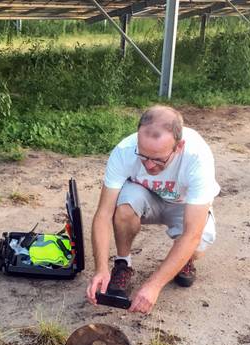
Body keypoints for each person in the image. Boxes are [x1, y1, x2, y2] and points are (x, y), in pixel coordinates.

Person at [85, 106, 220, 314]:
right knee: (123, 209)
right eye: (143, 155)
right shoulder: (124, 151)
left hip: (183, 204)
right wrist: (100, 268)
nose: (148, 166)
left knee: (198, 244)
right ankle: (123, 263)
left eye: (158, 159)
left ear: (179, 146)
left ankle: (184, 260)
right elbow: (103, 214)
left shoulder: (197, 157)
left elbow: (192, 233)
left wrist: (154, 285)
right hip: (145, 197)